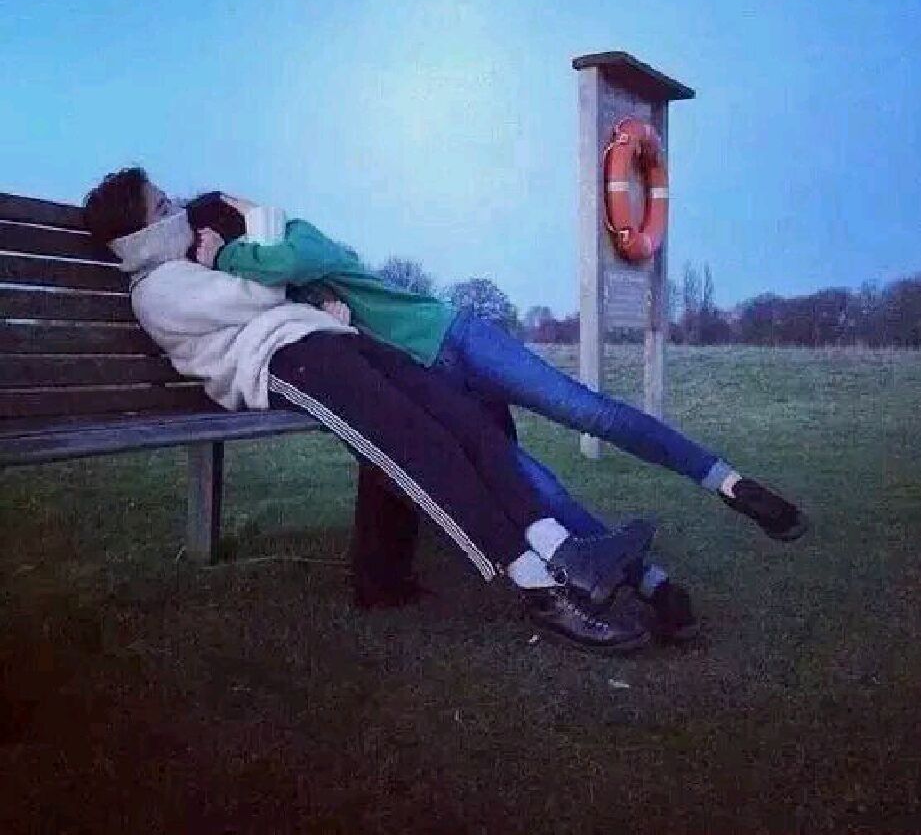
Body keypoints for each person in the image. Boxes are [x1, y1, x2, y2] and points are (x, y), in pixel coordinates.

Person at [83, 168, 669, 654]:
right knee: (419, 449)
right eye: (162, 204)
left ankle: (567, 553)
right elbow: (264, 289)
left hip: (327, 342)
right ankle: (540, 589)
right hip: (292, 363)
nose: (178, 207)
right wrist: (234, 247)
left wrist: (304, 305)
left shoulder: (185, 270)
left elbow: (267, 292)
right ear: (141, 233)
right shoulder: (160, 287)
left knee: (467, 420)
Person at [183, 187, 809, 545]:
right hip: (432, 386)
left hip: (456, 335)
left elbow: (294, 259)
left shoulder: (297, 237)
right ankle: (639, 576)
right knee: (534, 481)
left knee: (586, 410)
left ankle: (728, 482)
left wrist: (228, 253)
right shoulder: (277, 296)